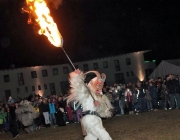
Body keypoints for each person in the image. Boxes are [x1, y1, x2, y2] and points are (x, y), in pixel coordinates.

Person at [67, 69, 113, 140]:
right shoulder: (86, 93)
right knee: (104, 135)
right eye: (97, 84)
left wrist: (98, 105)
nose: (99, 87)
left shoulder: (97, 96)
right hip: (91, 119)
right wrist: (77, 76)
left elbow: (102, 112)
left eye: (100, 85)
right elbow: (79, 86)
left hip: (96, 119)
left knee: (91, 137)